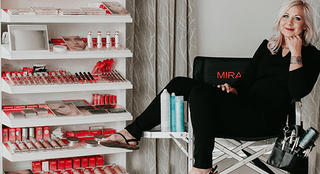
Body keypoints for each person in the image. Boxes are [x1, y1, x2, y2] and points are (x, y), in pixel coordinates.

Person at [101, 0, 320, 173]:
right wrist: (233, 89)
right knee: (179, 83)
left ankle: (202, 166)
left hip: (266, 120)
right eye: (285, 15)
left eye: (296, 17)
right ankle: (132, 132)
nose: (289, 21)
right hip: (244, 107)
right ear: (279, 19)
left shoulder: (311, 56)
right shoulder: (267, 47)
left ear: (305, 25)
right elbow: (246, 81)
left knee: (201, 93)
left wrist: (296, 52)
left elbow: (298, 91)